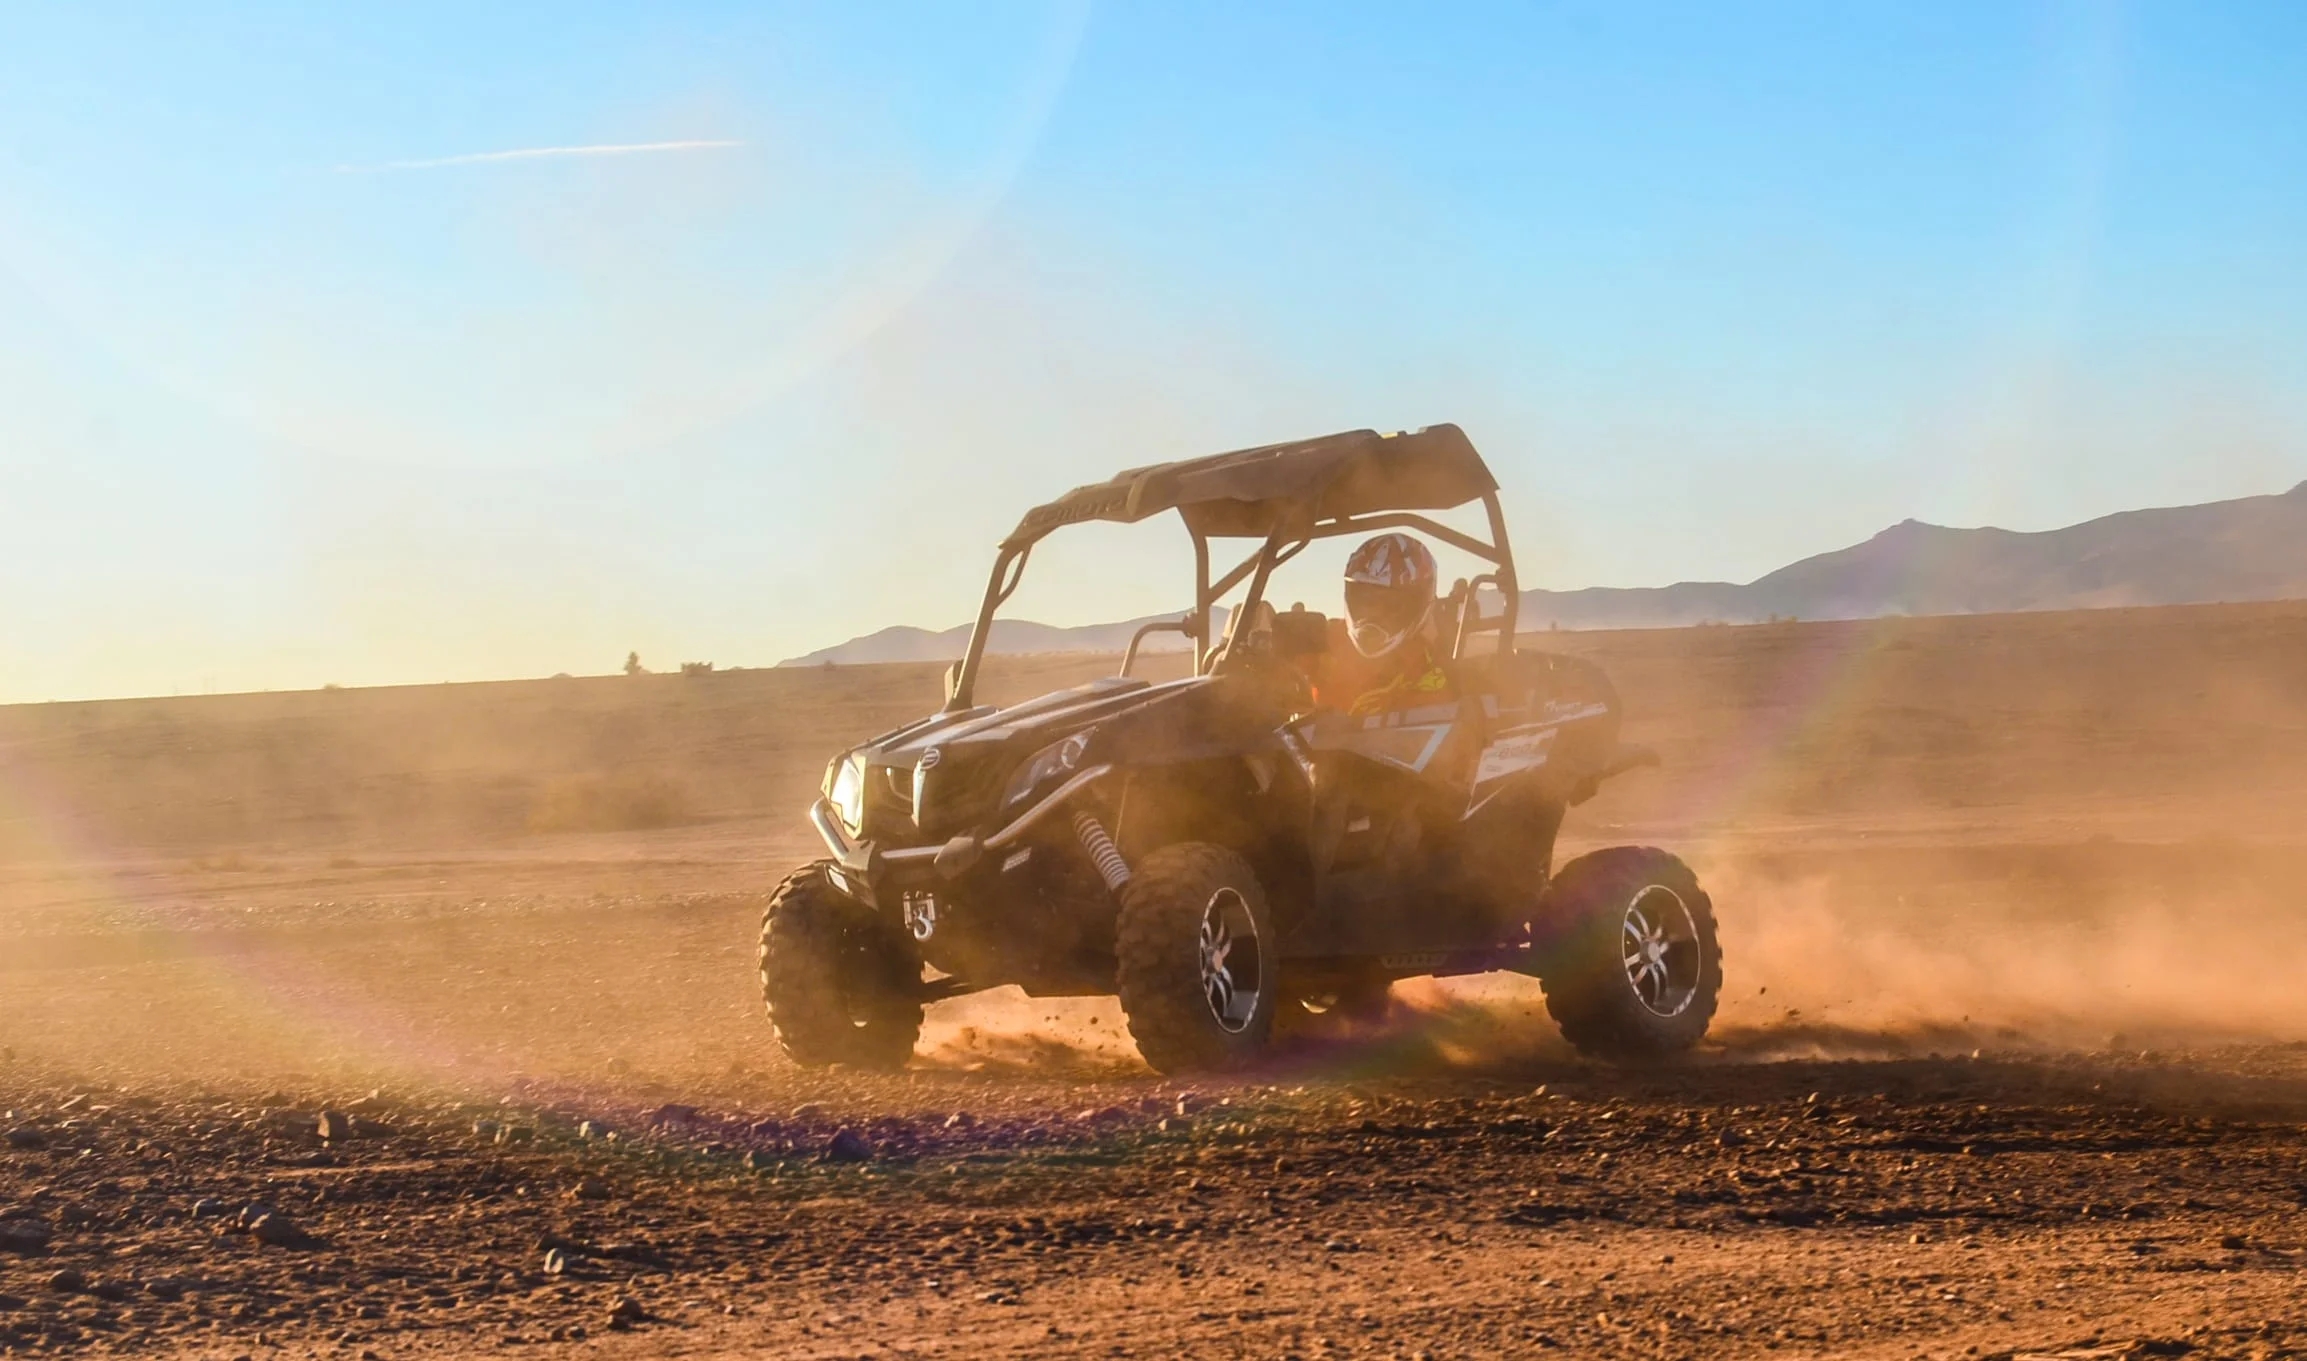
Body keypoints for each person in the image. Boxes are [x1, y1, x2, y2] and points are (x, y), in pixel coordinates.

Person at [1304, 532, 1452, 716]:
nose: (1372, 614)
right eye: (1365, 600)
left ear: (1419, 602)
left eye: (1388, 604)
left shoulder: (1425, 672)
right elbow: (1285, 679)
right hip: (1309, 744)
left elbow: (1431, 733)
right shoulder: (1325, 642)